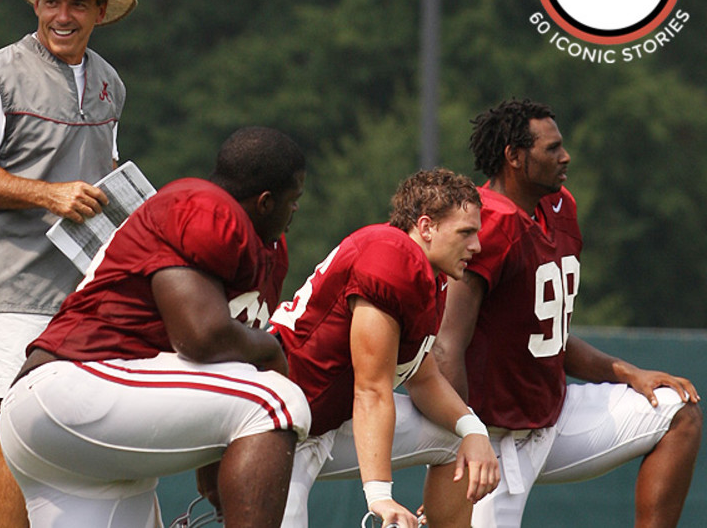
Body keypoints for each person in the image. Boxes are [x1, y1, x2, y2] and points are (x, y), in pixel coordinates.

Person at [0, 126, 311, 528]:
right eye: (293, 200)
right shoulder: (202, 205)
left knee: (265, 398)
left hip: (73, 440)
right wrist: (270, 350)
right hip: (74, 385)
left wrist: (219, 448)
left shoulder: (262, 248)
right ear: (266, 202)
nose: (295, 211)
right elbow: (201, 337)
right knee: (277, 401)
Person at [0, 0, 137, 527]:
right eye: (52, 1)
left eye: (77, 4)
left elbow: (107, 180)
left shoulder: (110, 84)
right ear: (36, 4)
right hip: (9, 290)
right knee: (19, 431)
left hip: (84, 296)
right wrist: (48, 194)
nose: (63, 16)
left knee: (81, 443)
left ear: (101, 13)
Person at [432, 98, 702, 528]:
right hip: (497, 436)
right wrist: (465, 439)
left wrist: (630, 373)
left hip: (553, 416)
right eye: (552, 148)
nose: (565, 156)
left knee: (677, 410)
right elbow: (447, 345)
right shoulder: (488, 223)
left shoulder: (560, 207)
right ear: (515, 157)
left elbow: (549, 335)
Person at [269, 168, 500, 528]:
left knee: (458, 442)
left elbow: (422, 377)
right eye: (466, 232)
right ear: (426, 227)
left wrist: (474, 429)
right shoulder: (391, 258)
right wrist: (380, 496)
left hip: (330, 420)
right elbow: (372, 389)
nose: (477, 246)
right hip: (284, 427)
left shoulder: (429, 272)